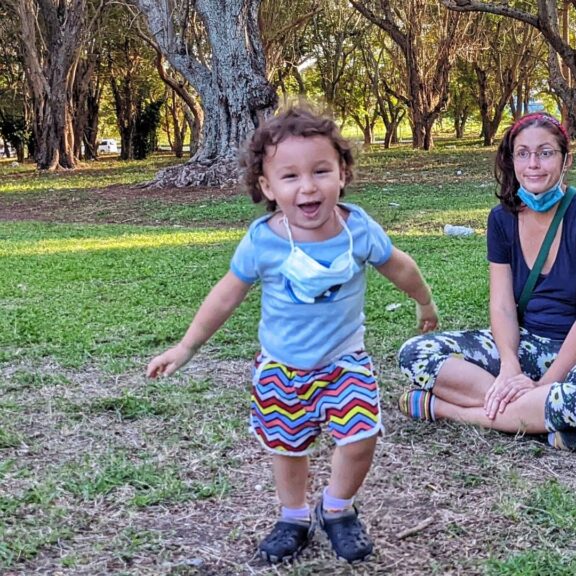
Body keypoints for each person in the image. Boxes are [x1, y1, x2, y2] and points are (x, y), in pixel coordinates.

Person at [145, 106, 439, 564]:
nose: (307, 186)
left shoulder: (357, 228)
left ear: (342, 174)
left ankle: (338, 509)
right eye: (290, 176)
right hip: (282, 367)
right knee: (287, 447)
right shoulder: (264, 240)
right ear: (267, 187)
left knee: (361, 436)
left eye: (321, 171)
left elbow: (399, 265)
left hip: (345, 361)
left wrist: (424, 300)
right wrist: (187, 346)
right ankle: (294, 516)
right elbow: (226, 295)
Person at [397, 112, 576, 451]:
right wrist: (509, 368)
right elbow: (501, 305)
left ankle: (446, 409)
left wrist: (544, 384)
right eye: (522, 153)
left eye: (545, 152)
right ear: (511, 161)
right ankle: (542, 416)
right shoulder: (502, 219)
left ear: (566, 160)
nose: (533, 164)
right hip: (530, 343)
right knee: (417, 353)